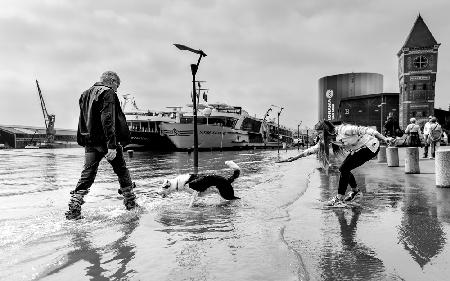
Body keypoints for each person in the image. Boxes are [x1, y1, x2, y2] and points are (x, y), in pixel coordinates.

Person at [65, 71, 138, 220]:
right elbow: (108, 119)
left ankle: (74, 208)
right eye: (116, 86)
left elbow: (82, 119)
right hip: (106, 142)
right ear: (111, 82)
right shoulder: (108, 92)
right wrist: (111, 145)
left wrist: (83, 139)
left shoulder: (85, 94)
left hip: (90, 142)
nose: (116, 90)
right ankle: (131, 205)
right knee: (122, 170)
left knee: (87, 175)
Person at [278, 120, 393, 207]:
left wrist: (385, 138)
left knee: (344, 168)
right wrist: (294, 158)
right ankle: (355, 192)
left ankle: (340, 198)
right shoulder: (329, 139)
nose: (318, 136)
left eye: (319, 133)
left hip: (370, 146)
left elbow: (369, 131)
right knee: (344, 169)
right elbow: (313, 149)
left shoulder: (345, 130)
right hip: (359, 149)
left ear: (326, 131)